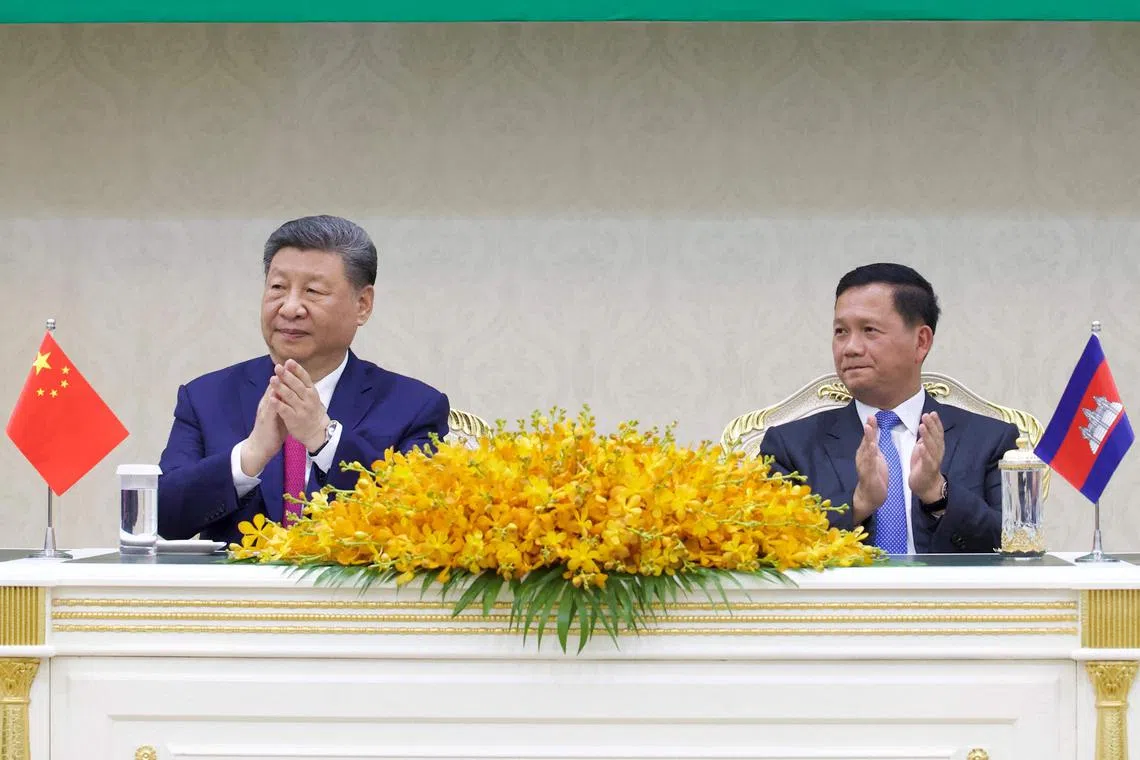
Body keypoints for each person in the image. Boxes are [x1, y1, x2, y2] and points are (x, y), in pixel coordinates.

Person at [158, 215, 450, 544]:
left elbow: (419, 517)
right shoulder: (205, 397)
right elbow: (163, 516)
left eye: (313, 291)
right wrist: (249, 457)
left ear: (362, 305)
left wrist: (325, 441)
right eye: (278, 288)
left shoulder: (414, 407)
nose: (290, 308)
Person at [759, 263, 1018, 554]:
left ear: (921, 342)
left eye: (869, 330)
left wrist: (937, 493)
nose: (850, 348)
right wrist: (858, 504)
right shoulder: (790, 447)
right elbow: (772, 546)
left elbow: (1015, 547)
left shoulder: (990, 441)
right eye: (841, 331)